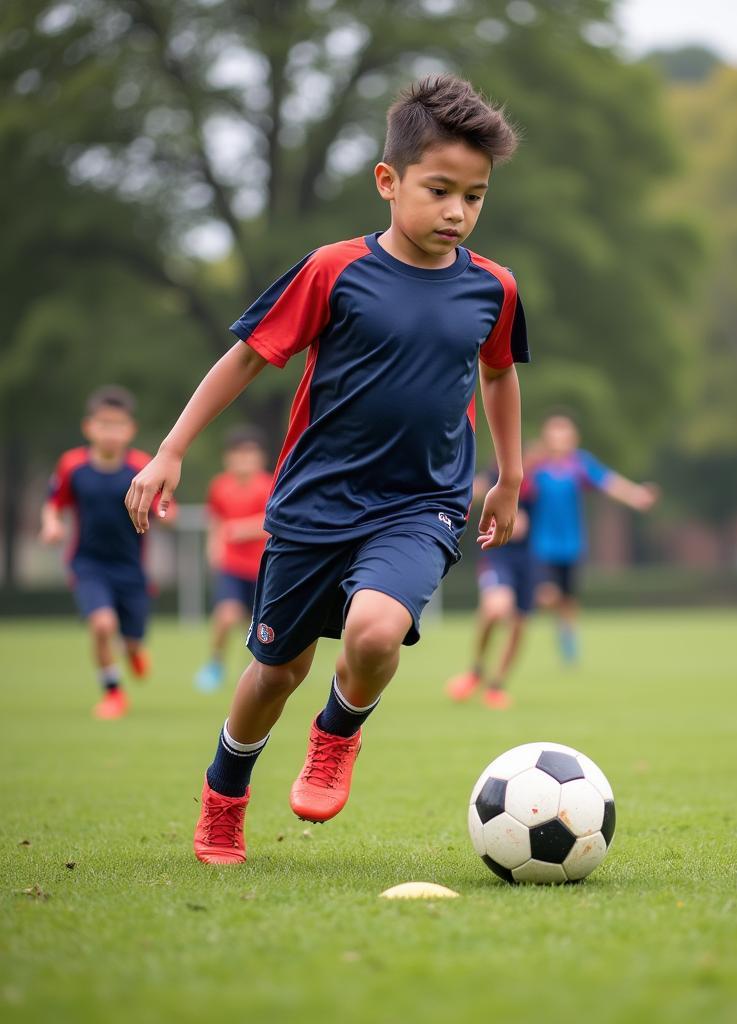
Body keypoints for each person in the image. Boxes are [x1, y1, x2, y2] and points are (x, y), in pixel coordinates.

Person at [125, 75, 528, 865]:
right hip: (314, 506)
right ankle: (224, 799)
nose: (457, 212)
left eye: (474, 197)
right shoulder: (334, 270)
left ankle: (337, 733)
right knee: (276, 672)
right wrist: (171, 448)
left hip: (423, 503)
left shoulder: (494, 287)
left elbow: (502, 372)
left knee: (377, 630)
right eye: (439, 190)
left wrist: (508, 476)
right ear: (389, 181)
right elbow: (247, 357)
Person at [40, 386, 174, 719]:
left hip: (131, 569)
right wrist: (51, 524)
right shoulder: (72, 466)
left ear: (130, 429)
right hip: (88, 564)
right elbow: (53, 504)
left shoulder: (142, 466)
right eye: (104, 424)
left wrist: (166, 514)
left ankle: (133, 650)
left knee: (130, 639)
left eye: (118, 425)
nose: (110, 432)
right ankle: (113, 693)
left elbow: (164, 507)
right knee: (102, 625)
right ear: (89, 427)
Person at [529, 413, 658, 663]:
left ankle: (568, 640)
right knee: (546, 594)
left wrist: (636, 495)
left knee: (568, 600)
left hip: (570, 545)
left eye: (565, 433)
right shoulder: (536, 468)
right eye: (555, 433)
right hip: (541, 545)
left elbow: (608, 482)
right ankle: (542, 622)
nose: (560, 439)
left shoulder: (579, 465)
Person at [444, 461, 538, 710]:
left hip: (529, 559)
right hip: (497, 554)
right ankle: (475, 671)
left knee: (519, 623)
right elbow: (470, 491)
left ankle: (496, 686)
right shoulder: (496, 473)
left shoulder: (542, 479)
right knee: (496, 608)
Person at [194, 427, 274, 692]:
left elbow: (273, 522)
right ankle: (215, 665)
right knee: (226, 617)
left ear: (260, 458)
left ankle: (263, 669)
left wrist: (243, 529)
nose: (243, 460)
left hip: (264, 568)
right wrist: (213, 547)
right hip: (232, 566)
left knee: (264, 626)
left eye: (249, 454)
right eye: (237, 455)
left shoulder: (270, 484)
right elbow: (216, 520)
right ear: (227, 458)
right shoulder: (220, 486)